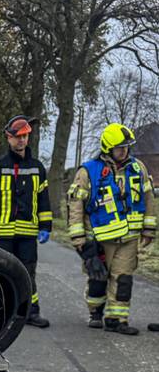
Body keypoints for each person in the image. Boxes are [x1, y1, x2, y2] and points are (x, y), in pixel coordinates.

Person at [67, 124, 156, 334]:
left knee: (123, 279)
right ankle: (95, 313)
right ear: (108, 148)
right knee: (98, 278)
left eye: (126, 147)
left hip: (129, 238)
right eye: (119, 147)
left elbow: (148, 199)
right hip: (99, 239)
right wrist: (80, 240)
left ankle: (117, 320)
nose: (124, 151)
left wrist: (149, 230)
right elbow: (76, 206)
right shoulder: (88, 171)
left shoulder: (138, 168)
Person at [0, 115, 53, 327]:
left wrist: (46, 226)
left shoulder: (38, 168)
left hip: (28, 234)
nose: (21, 140)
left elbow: (44, 200)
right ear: (8, 138)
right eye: (17, 137)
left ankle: (30, 311)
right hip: (3, 234)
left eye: (24, 136)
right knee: (3, 274)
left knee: (28, 274)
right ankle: (2, 314)